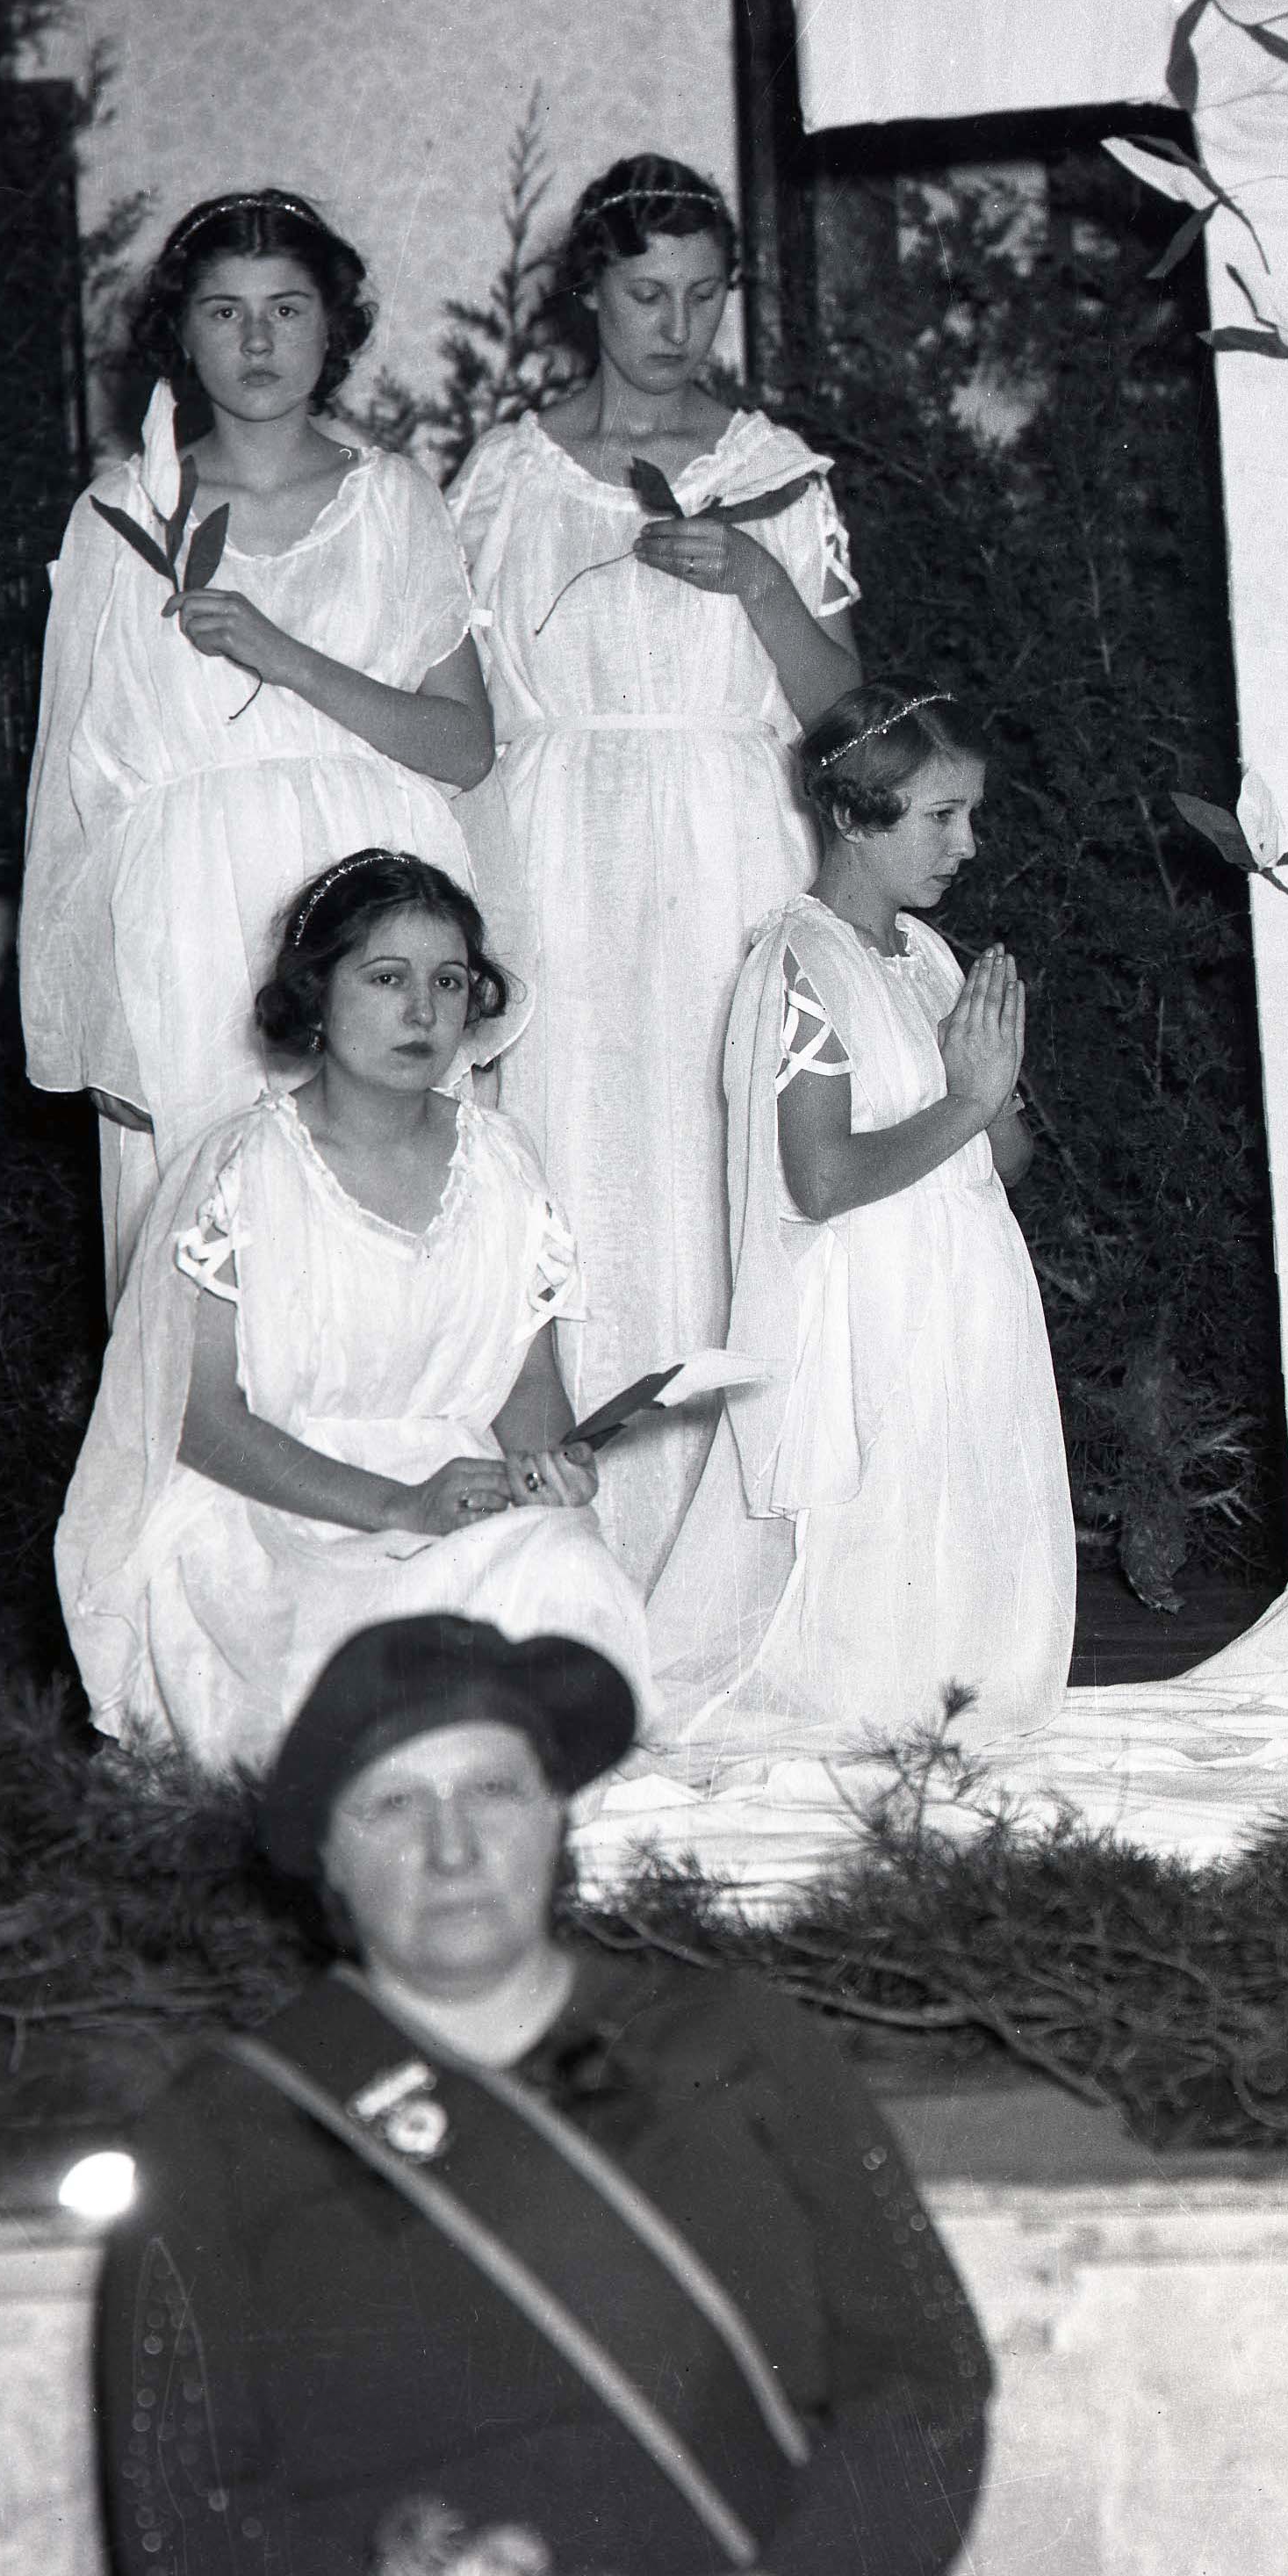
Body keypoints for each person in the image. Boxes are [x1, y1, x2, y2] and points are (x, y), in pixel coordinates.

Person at [89, 1618, 1171, 2576]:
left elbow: (922, 2382)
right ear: (329, 1861)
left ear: (556, 1816)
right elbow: (189, 2530)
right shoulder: (221, 2138)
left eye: (492, 1789)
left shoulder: (738, 2045)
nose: (452, 1846)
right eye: (393, 1806)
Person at [450, 157, 864, 1577]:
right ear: (590, 293)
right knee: (571, 1161)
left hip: (727, 851)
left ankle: (727, 1561)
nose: (675, 328)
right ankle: (580, 1547)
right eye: (644, 294)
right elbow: (461, 701)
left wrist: (758, 580)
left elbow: (844, 716)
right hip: (556, 856)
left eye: (701, 295)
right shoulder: (506, 477)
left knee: (716, 1169)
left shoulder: (771, 468)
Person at [53, 853, 642, 1774]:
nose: (424, 1012)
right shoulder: (240, 1169)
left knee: (570, 1579)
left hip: (454, 1491)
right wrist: (399, 1505)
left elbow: (528, 1386)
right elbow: (197, 1418)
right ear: (316, 994)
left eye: (449, 982)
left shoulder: (504, 1162)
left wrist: (550, 1469)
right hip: (271, 1514)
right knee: (381, 1694)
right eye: (387, 978)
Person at [23, 190, 494, 1302]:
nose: (257, 340)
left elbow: (465, 744)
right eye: (224, 311)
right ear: (181, 335)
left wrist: (287, 656)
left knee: (376, 1252)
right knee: (210, 1266)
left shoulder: (392, 500)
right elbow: (75, 791)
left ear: (333, 327)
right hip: (185, 928)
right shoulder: (119, 515)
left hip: (365, 914)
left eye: (287, 308)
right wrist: (94, 1013)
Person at [646, 683, 1072, 1751]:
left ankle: (960, 1695)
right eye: (942, 815)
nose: (967, 845)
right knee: (874, 1555)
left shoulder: (927, 955)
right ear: (849, 813)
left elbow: (1005, 1159)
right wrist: (965, 1101)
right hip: (870, 1304)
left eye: (970, 814)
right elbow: (821, 1179)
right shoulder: (798, 964)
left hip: (968, 1288)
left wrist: (996, 1091)